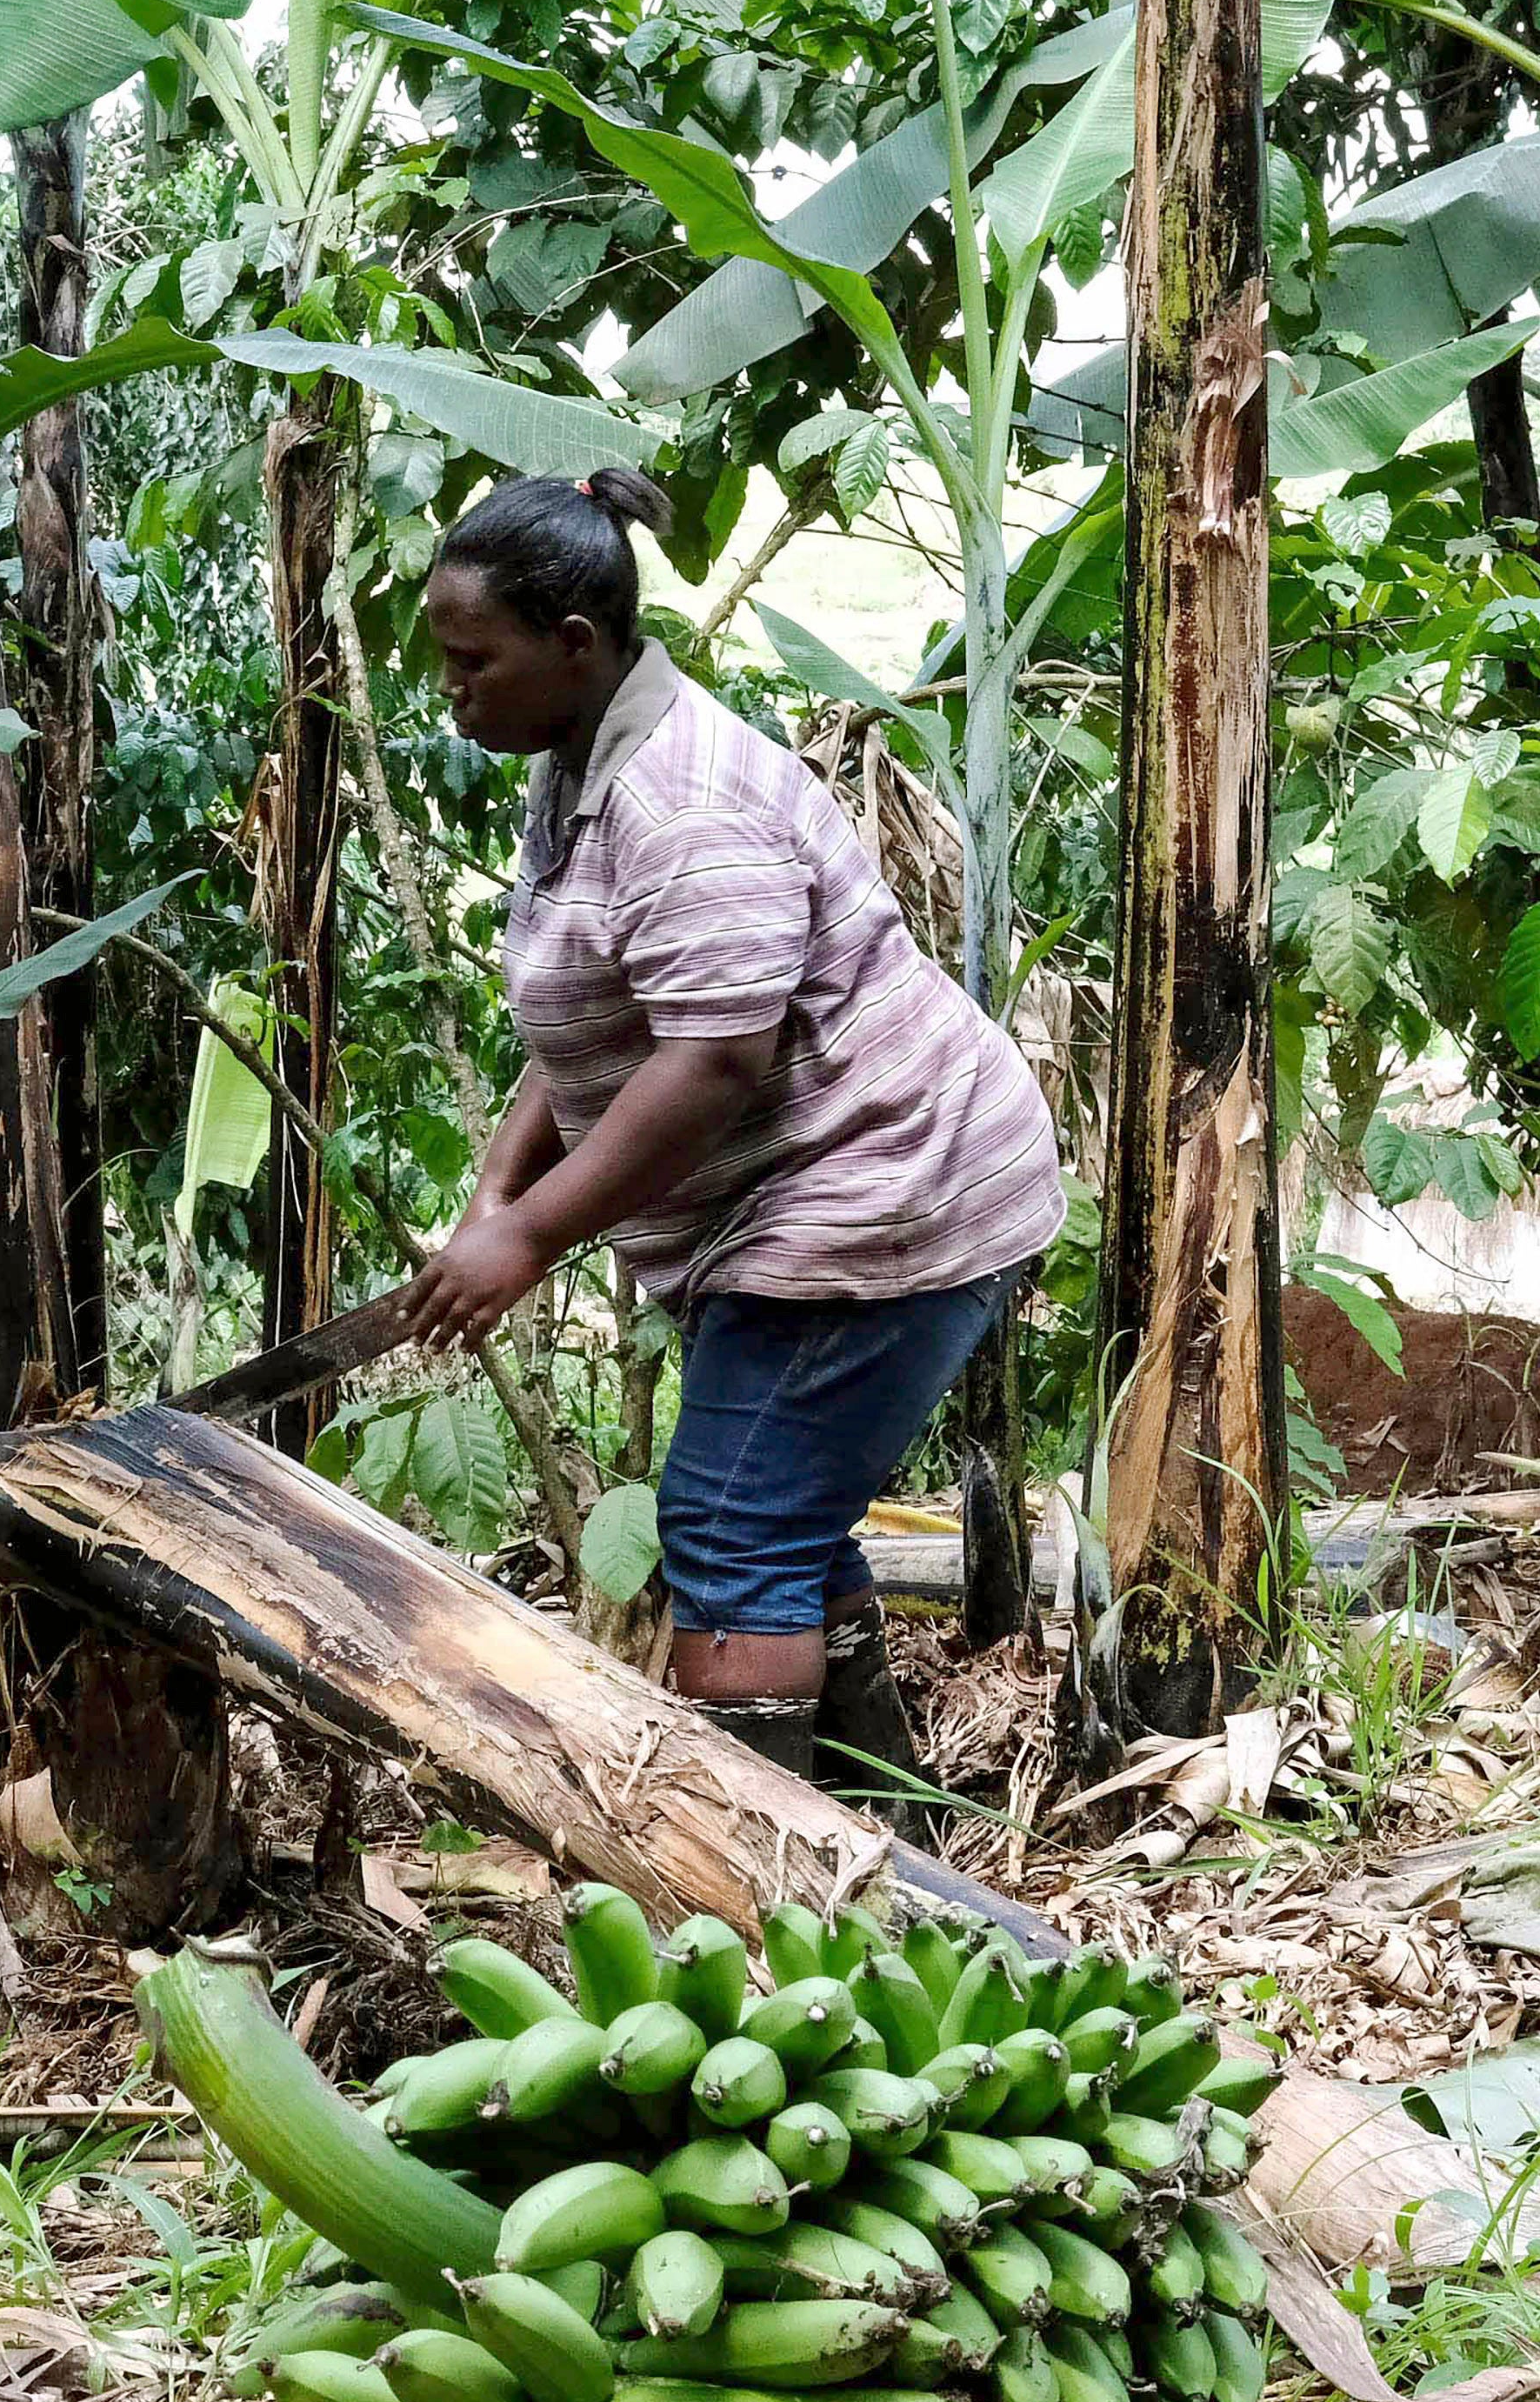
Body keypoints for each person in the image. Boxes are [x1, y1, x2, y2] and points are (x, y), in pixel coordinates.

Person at [396, 466, 1063, 1798]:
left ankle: (758, 1907)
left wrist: (525, 1238)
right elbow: (604, 1014)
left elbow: (710, 1060)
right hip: (811, 1196)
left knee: (733, 1522)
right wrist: (495, 1188)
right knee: (780, 1523)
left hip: (892, 1185)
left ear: (574, 647)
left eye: (474, 663)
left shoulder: (680, 802)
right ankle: (893, 1875)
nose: (453, 691)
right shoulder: (583, 755)